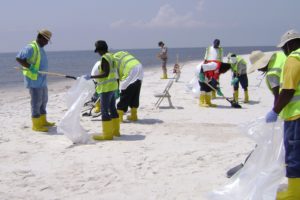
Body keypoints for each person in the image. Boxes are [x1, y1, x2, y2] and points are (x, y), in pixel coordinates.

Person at [265, 29, 300, 199]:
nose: (283, 52)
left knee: (294, 155)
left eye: (284, 48)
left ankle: (294, 193)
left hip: (296, 116)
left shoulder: (294, 58)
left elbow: (287, 90)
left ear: (290, 44)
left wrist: (275, 111)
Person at [16, 29, 55, 132]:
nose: (47, 43)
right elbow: (19, 58)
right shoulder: (31, 47)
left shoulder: (40, 48)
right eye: (46, 40)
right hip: (34, 80)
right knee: (36, 102)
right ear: (41, 38)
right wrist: (30, 67)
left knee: (44, 100)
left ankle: (43, 121)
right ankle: (36, 125)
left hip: (42, 80)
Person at [84, 40, 120, 140]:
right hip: (113, 86)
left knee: (104, 111)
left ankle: (107, 135)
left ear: (100, 49)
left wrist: (91, 76)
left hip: (106, 88)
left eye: (98, 51)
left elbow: (105, 74)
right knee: (113, 108)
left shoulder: (104, 58)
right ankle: (116, 131)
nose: (98, 53)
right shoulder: (112, 56)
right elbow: (114, 72)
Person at [113, 51, 143, 123]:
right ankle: (134, 115)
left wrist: (116, 90)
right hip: (139, 67)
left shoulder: (112, 62)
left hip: (131, 70)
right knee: (135, 93)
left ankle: (119, 117)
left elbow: (117, 79)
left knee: (125, 93)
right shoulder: (119, 54)